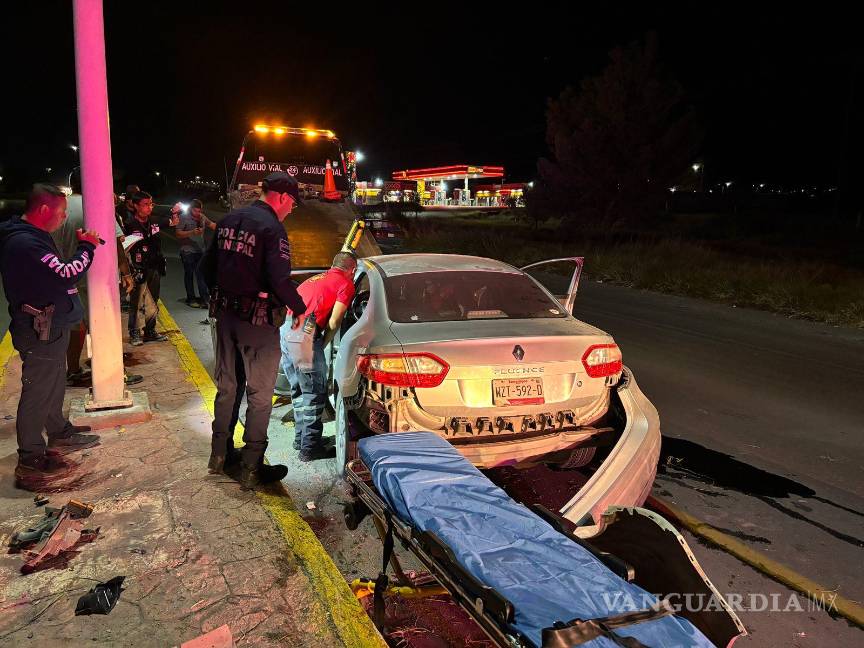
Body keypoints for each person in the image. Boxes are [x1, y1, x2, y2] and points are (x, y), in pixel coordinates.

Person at [200, 172, 306, 489]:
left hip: (225, 319)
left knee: (227, 388)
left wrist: (223, 296)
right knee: (260, 395)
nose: (291, 210)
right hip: (257, 324)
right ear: (282, 197)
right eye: (292, 204)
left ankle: (219, 455)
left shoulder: (228, 220)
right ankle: (251, 467)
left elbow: (206, 268)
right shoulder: (272, 228)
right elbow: (279, 279)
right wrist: (299, 307)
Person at [0, 184, 102, 489]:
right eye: (61, 212)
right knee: (38, 390)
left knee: (54, 382)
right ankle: (30, 458)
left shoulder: (34, 236)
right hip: (39, 329)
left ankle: (59, 431)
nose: (64, 218)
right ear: (44, 210)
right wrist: (87, 247)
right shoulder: (25, 242)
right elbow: (66, 272)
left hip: (50, 326)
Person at [51, 172, 142, 387]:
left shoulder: (59, 207)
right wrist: (126, 273)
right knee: (103, 323)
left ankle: (73, 370)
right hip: (95, 276)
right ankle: (113, 373)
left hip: (65, 275)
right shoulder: (97, 206)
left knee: (76, 325)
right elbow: (116, 242)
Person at [280, 252, 356, 462]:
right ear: (352, 270)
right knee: (314, 393)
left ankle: (301, 439)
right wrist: (322, 343)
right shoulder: (345, 284)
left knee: (298, 390)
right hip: (304, 333)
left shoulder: (315, 279)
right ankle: (310, 448)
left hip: (286, 329)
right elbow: (335, 321)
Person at [125, 191, 179, 346]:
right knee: (136, 302)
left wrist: (175, 212)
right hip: (138, 268)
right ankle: (134, 332)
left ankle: (150, 331)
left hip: (154, 267)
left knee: (153, 301)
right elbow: (123, 247)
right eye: (145, 204)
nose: (149, 207)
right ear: (136, 206)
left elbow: (173, 222)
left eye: (151, 204)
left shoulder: (154, 221)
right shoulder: (129, 225)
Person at [175, 199, 216, 307]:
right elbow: (178, 233)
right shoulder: (183, 217)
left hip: (200, 250)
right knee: (189, 274)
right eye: (195, 211)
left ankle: (205, 299)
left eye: (199, 211)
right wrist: (192, 232)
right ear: (190, 209)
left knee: (201, 274)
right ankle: (191, 298)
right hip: (187, 251)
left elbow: (212, 225)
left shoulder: (202, 217)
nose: (197, 213)